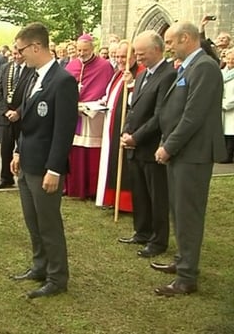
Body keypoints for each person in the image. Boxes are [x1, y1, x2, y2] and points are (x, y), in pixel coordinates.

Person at [151, 22, 226, 296]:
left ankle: (186, 278)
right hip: (181, 152)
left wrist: (168, 147)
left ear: (186, 38)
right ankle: (183, 262)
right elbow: (174, 110)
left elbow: (192, 115)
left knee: (189, 214)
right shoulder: (188, 66)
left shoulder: (204, 67)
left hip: (193, 154)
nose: (167, 47)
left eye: (170, 41)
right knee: (178, 211)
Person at [8, 23, 78, 299]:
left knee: (49, 223)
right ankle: (40, 265)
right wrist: (16, 151)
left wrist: (54, 169)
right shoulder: (32, 76)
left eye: (21, 49)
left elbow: (63, 130)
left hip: (45, 167)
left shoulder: (62, 81)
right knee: (33, 221)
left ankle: (57, 276)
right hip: (27, 162)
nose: (19, 54)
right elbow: (26, 121)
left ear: (36, 47)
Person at [118, 30, 176, 258]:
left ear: (157, 50)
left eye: (142, 53)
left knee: (157, 195)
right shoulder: (142, 75)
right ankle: (141, 231)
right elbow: (133, 109)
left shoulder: (167, 75)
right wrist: (125, 131)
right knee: (139, 192)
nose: (138, 57)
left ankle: (158, 240)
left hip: (151, 145)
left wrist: (136, 137)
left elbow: (160, 116)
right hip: (134, 145)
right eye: (136, 53)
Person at [95, 40, 144, 212]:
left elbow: (139, 101)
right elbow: (110, 95)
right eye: (118, 56)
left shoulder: (140, 73)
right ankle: (112, 198)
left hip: (128, 127)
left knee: (125, 166)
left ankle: (126, 203)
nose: (121, 60)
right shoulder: (118, 73)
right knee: (113, 162)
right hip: (111, 125)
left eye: (124, 56)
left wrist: (132, 85)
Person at [64, 34, 115, 199]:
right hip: (74, 115)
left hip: (93, 116)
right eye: (79, 50)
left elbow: (108, 90)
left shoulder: (104, 66)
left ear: (92, 49)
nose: (81, 53)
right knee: (74, 151)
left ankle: (92, 189)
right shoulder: (71, 65)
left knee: (91, 154)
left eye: (85, 50)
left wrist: (89, 104)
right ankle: (74, 187)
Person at [0, 43, 34, 190]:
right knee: (5, 149)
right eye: (13, 54)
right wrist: (4, 111)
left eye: (18, 54)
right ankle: (6, 178)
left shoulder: (31, 70)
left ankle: (26, 177)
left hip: (22, 117)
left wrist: (18, 112)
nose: (16, 57)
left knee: (24, 149)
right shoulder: (6, 68)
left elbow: (31, 96)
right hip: (6, 117)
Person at [220, 48, 234, 163]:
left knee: (231, 133)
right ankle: (223, 154)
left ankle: (228, 156)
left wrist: (227, 104)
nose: (231, 61)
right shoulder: (221, 73)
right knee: (223, 133)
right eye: (229, 58)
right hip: (221, 108)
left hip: (232, 108)